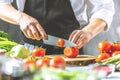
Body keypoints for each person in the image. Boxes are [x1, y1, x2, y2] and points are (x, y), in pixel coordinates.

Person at [0, 0, 115, 54]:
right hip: (29, 52)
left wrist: (89, 31)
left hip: (71, 52)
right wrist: (20, 17)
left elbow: (104, 7)